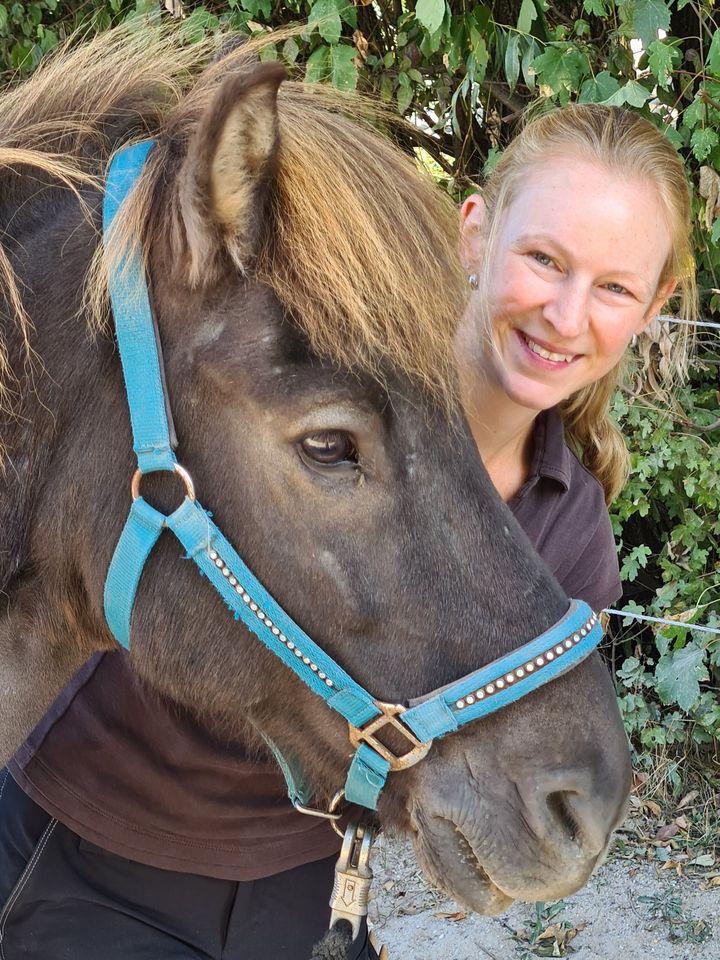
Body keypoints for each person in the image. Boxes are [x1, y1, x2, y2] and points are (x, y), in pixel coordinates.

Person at [0, 102, 696, 959]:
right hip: (93, 854)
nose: (564, 312)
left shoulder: (571, 524)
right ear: (475, 234)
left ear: (653, 305)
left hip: (304, 888)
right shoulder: (328, 356)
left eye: (615, 286)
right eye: (544, 259)